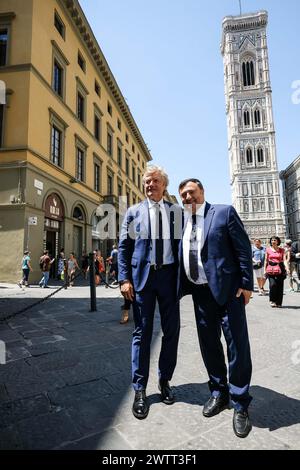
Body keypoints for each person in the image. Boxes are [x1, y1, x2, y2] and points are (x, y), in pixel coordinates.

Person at [178, 178, 253, 438]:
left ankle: (240, 402)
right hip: (200, 294)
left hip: (228, 291)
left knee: (237, 346)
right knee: (209, 345)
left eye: (191, 192)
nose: (187, 198)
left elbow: (243, 249)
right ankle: (219, 392)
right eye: (183, 195)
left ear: (202, 191)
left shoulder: (223, 212)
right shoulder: (183, 221)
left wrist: (247, 284)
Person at [118, 165, 181, 420]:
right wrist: (124, 278)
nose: (149, 185)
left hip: (168, 278)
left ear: (164, 185)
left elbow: (184, 246)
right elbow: (124, 247)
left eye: (154, 181)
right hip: (142, 279)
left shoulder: (175, 212)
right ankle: (140, 389)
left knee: (171, 332)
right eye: (146, 181)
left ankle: (165, 380)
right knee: (142, 333)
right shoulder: (133, 212)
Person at [265, 236, 286, 308]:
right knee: (272, 285)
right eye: (272, 240)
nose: (273, 241)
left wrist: (287, 268)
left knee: (280, 286)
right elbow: (266, 260)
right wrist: (265, 270)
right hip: (271, 269)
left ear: (278, 242)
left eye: (275, 240)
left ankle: (279, 302)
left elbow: (284, 260)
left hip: (280, 268)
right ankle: (272, 301)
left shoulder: (282, 250)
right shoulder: (268, 250)